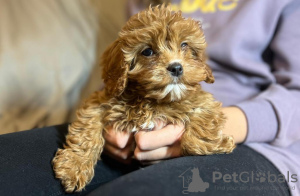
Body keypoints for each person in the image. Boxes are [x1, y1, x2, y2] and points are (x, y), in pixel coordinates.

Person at [0, 0, 299, 195]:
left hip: (257, 141)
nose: (174, 61)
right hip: (130, 127)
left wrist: (212, 130)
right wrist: (98, 138)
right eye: (149, 52)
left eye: (185, 47)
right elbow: (110, 88)